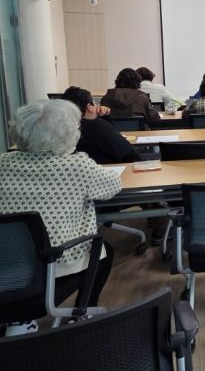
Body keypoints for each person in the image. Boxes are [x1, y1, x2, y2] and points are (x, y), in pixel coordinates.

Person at [0, 100, 122, 332]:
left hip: (6, 266)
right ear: (68, 134)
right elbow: (112, 186)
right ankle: (82, 313)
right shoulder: (77, 166)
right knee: (103, 250)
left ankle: (19, 320)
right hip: (51, 268)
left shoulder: (2, 163)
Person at [62, 86, 141, 164]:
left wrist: (105, 117)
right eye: (95, 103)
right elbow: (130, 154)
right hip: (111, 169)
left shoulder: (63, 128)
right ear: (89, 107)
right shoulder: (98, 126)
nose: (97, 106)